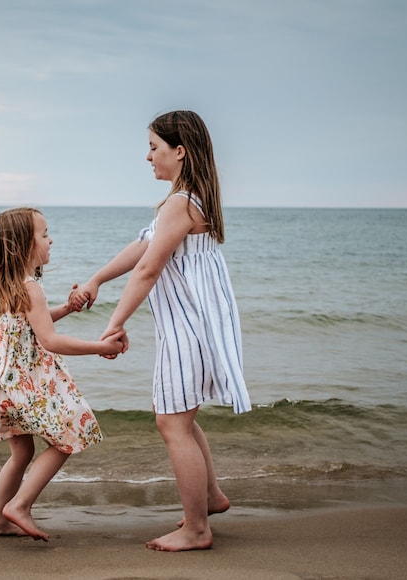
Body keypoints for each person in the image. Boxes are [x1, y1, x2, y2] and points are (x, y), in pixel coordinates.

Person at [69, 110, 251, 551]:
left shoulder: (179, 203)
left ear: (180, 151)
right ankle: (210, 498)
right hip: (198, 324)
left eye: (154, 147)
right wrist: (97, 279)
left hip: (188, 327)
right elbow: (143, 246)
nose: (148, 156)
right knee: (182, 417)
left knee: (172, 422)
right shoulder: (187, 200)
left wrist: (114, 324)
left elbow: (150, 268)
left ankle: (196, 530)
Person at [0, 206, 126, 542]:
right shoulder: (31, 288)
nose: (50, 239)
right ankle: (21, 505)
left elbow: (29, 324)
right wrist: (99, 347)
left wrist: (68, 308)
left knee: (22, 453)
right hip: (22, 384)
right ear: (25, 245)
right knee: (70, 433)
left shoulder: (6, 286)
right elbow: (49, 340)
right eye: (44, 235)